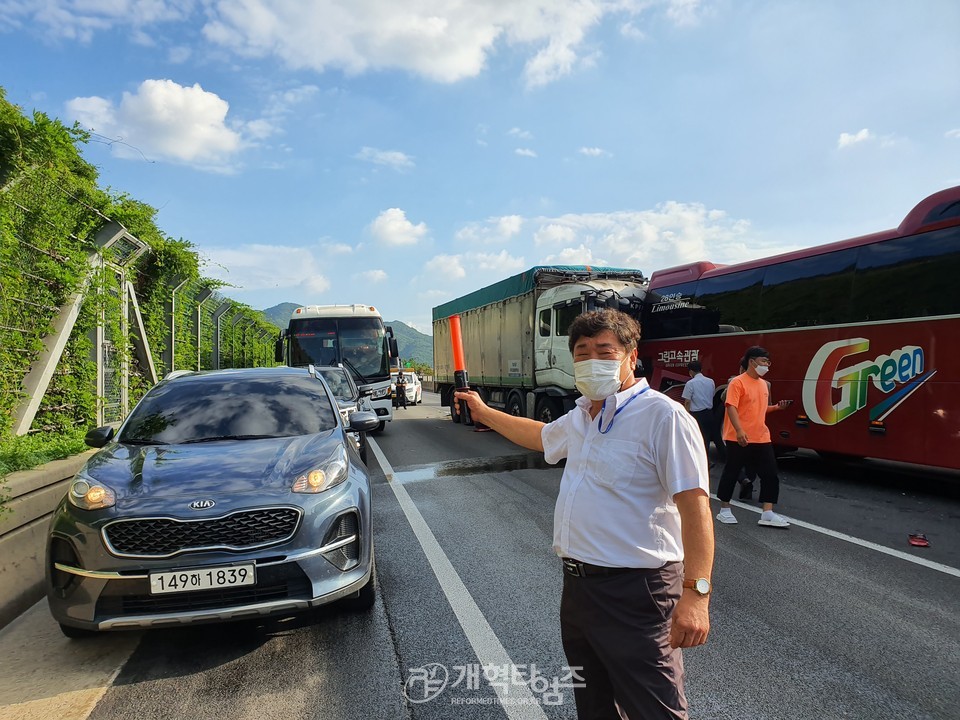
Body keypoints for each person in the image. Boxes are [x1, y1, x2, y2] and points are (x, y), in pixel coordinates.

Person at [455, 309, 714, 720]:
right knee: (593, 703)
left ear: (631, 356)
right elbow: (540, 437)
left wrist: (696, 595)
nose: (592, 360)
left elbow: (695, 505)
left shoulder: (663, 416)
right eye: (582, 352)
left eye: (604, 351)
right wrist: (484, 413)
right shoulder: (582, 416)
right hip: (579, 588)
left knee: (653, 708)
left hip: (638, 591)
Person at [715, 346, 792, 528]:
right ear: (752, 361)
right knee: (732, 472)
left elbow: (761, 409)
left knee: (770, 474)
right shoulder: (737, 382)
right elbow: (731, 406)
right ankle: (724, 510)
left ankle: (767, 512)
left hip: (761, 436)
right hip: (738, 437)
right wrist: (739, 430)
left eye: (768, 362)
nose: (766, 365)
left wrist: (777, 408)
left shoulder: (764, 385)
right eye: (763, 361)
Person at [681, 360, 725, 465]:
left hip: (697, 415)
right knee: (707, 438)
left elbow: (687, 402)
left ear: (690, 371)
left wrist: (686, 415)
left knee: (697, 439)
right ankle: (713, 460)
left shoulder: (690, 383)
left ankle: (703, 462)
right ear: (701, 369)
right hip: (709, 413)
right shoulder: (711, 381)